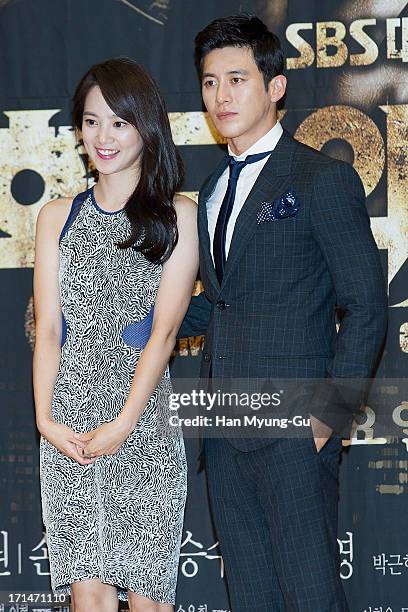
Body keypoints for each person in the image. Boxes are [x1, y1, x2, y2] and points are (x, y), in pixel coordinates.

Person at [179, 14, 388, 611]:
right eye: (210, 81)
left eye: (237, 79)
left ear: (275, 87)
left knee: (310, 594)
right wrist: (137, 325)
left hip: (296, 429)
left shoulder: (321, 178)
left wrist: (327, 418)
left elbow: (366, 304)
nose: (221, 96)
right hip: (223, 429)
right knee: (250, 596)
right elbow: (221, 305)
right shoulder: (214, 190)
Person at [33, 57, 198, 612]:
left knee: (148, 599)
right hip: (68, 432)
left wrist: (123, 424)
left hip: (143, 425)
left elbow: (165, 332)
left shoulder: (177, 216)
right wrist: (45, 420)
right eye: (91, 121)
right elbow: (50, 328)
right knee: (88, 601)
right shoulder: (57, 217)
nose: (103, 137)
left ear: (146, 127)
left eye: (119, 122)